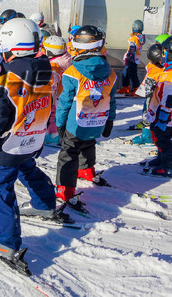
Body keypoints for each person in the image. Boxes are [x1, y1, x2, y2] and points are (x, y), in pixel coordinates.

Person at [0, 17, 67, 269]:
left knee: (1, 187)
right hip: (33, 137)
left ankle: (5, 241)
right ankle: (44, 203)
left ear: (11, 46)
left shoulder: (8, 79)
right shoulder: (48, 69)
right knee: (27, 167)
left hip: (10, 143)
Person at [54, 25, 116, 207]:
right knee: (89, 143)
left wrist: (60, 123)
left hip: (76, 123)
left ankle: (65, 190)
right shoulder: (110, 72)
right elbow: (111, 100)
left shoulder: (72, 73)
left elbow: (64, 102)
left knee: (68, 153)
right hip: (98, 120)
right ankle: (87, 171)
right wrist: (110, 120)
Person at [138, 36, 172, 177]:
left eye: (165, 52)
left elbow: (169, 98)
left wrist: (162, 118)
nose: (162, 55)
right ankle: (162, 159)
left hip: (165, 118)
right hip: (163, 115)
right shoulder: (171, 70)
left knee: (164, 142)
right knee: (159, 139)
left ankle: (169, 167)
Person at [41, 32, 71, 147]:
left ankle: (54, 136)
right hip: (67, 93)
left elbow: (51, 85)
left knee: (54, 114)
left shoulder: (54, 66)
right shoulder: (67, 58)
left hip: (57, 96)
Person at [119, 20, 145, 96]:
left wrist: (129, 58)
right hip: (136, 58)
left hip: (131, 59)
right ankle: (127, 87)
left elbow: (132, 49)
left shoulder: (133, 39)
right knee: (128, 73)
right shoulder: (140, 38)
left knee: (130, 74)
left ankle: (134, 88)